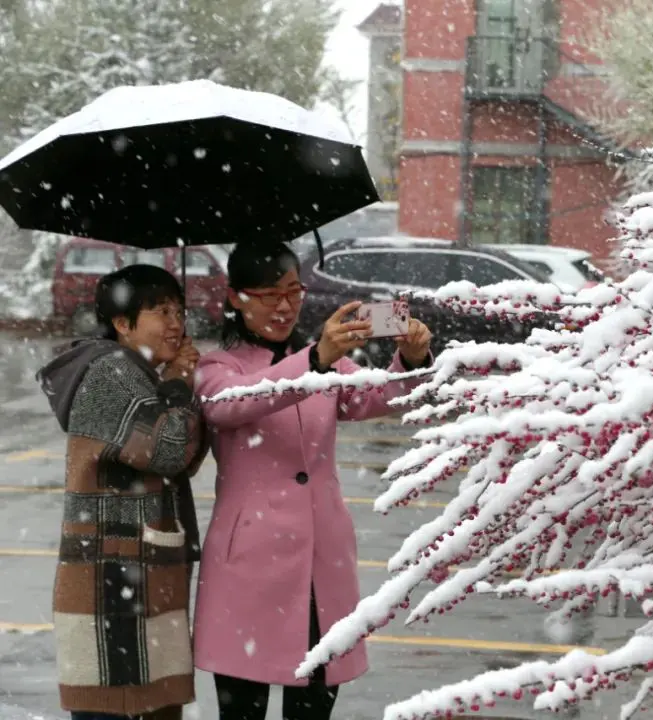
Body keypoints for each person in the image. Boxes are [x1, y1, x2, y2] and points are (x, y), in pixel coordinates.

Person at [191, 241, 433, 720]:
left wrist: (411, 358)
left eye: (293, 292)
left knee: (314, 704)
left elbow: (374, 397)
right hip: (251, 564)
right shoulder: (219, 367)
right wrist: (315, 360)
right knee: (243, 709)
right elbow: (234, 404)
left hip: (321, 558)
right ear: (236, 298)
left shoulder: (324, 360)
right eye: (267, 295)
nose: (284, 306)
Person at [36, 264, 208, 720]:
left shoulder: (139, 371)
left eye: (179, 310)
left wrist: (175, 385)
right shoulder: (111, 373)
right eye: (159, 311)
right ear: (122, 324)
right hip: (112, 573)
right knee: (119, 707)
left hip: (135, 569)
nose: (176, 323)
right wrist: (178, 385)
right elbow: (171, 450)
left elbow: (182, 457)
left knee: (145, 703)